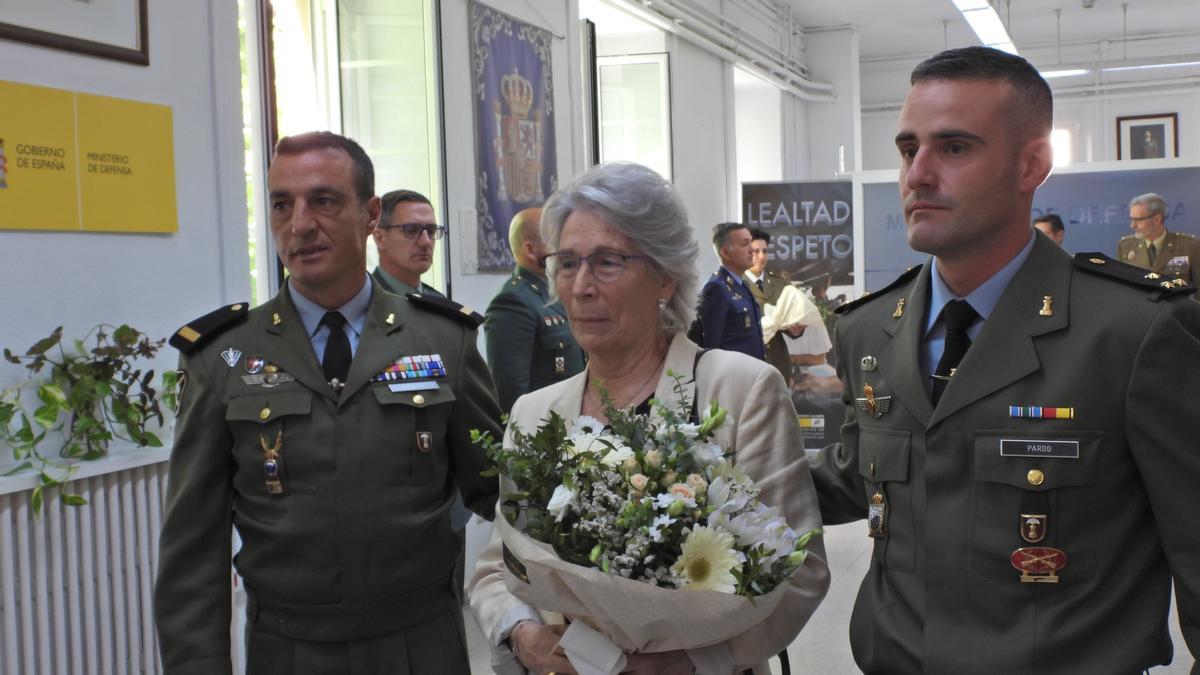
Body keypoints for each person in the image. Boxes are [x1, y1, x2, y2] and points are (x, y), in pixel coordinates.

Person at [811, 46, 1200, 673]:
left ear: (1031, 165)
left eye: (954, 148)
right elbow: (863, 473)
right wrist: (690, 485)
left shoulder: (1132, 334)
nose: (917, 175)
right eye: (910, 149)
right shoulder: (869, 333)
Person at [154, 131, 502, 675]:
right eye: (281, 204)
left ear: (369, 215)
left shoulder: (442, 341)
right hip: (290, 652)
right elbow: (191, 546)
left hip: (420, 646)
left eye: (323, 200)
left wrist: (555, 608)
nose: (299, 224)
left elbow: (503, 494)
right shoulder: (224, 356)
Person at [469, 162, 830, 675]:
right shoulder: (534, 413)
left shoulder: (740, 390)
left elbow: (801, 571)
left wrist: (686, 663)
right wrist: (524, 635)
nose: (581, 286)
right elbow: (494, 567)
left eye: (608, 262)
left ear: (664, 277)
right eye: (567, 263)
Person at [483, 207, 586, 414]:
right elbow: (511, 393)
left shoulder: (552, 293)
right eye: (553, 239)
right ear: (531, 250)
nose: (563, 247)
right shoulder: (513, 301)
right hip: (541, 431)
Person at [693, 222, 765, 359]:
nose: (752, 249)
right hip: (733, 377)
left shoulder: (741, 285)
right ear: (725, 253)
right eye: (745, 244)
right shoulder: (716, 289)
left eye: (751, 242)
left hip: (751, 375)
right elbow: (710, 347)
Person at [744, 228, 802, 383]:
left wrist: (796, 329)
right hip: (748, 364)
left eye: (765, 251)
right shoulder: (737, 284)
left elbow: (793, 324)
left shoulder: (781, 284)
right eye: (756, 251)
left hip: (778, 364)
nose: (762, 257)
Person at [371, 189, 445, 296]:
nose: (426, 242)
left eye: (431, 231)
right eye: (411, 230)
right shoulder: (363, 302)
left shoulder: (439, 302)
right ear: (380, 238)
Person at [1118, 192, 1199, 288]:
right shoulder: (1126, 246)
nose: (1132, 225)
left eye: (1138, 220)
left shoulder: (1189, 246)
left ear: (1157, 219)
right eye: (1131, 219)